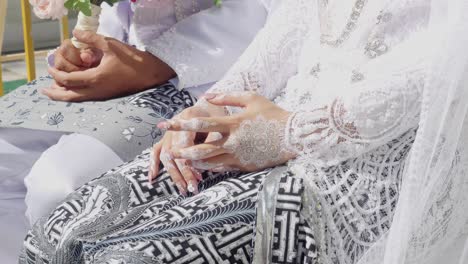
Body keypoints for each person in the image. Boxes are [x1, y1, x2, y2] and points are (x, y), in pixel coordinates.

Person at [19, 0, 468, 263]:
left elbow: (448, 67)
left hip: (368, 156)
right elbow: (291, 23)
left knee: (126, 258)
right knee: (57, 233)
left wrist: (291, 134)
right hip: (269, 116)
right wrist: (205, 112)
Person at [0, 0, 267, 226]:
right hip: (118, 61)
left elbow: (266, 12)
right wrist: (88, 47)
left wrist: (159, 61)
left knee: (59, 186)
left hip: (208, 74)